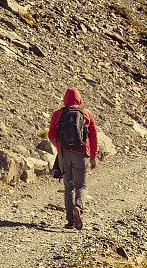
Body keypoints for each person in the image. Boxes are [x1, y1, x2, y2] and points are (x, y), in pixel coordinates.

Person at [48, 87, 98, 230]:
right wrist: (93, 157)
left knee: (68, 187)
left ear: (65, 99)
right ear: (79, 98)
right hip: (81, 154)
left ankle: (70, 221)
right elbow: (93, 136)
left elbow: (51, 134)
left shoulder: (58, 114)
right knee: (81, 185)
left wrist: (59, 148)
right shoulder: (87, 113)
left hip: (64, 154)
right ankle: (79, 208)